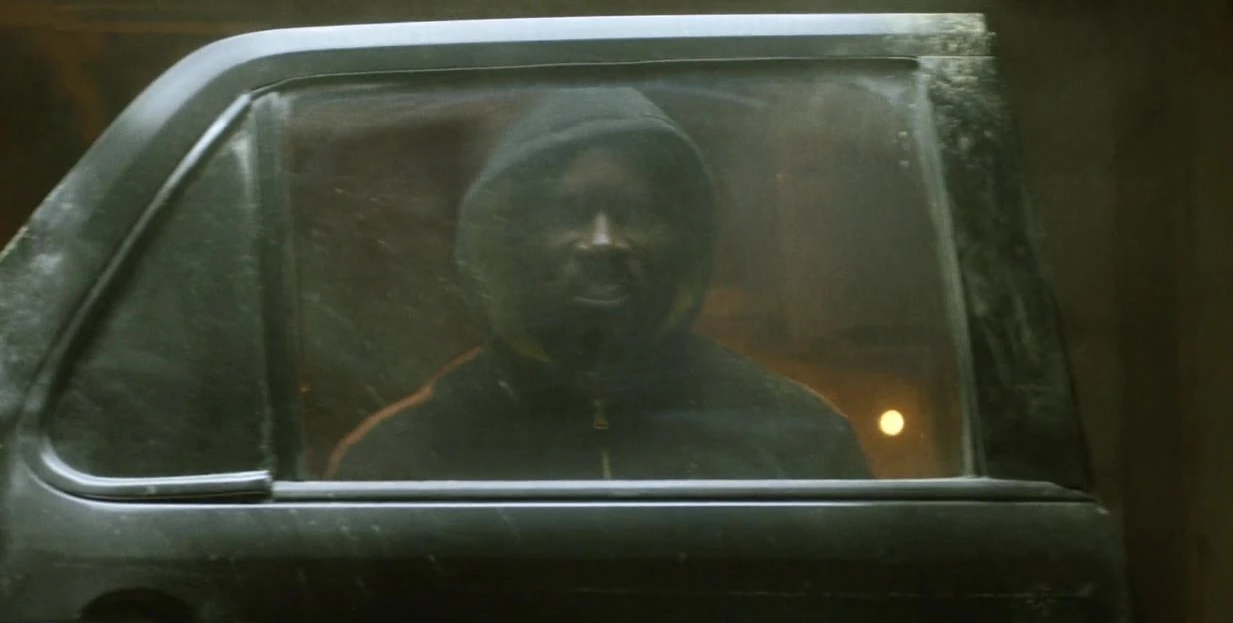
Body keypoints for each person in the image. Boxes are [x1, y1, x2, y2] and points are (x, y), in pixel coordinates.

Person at [327, 87, 871, 480]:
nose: (603, 242)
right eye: (570, 212)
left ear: (685, 237)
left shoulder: (797, 437)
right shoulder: (402, 453)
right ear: (512, 238)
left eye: (635, 212)